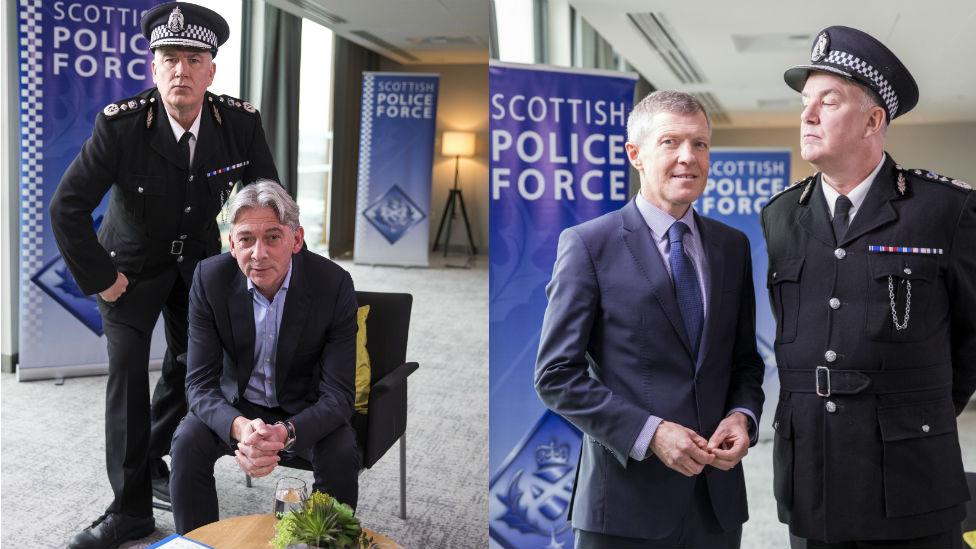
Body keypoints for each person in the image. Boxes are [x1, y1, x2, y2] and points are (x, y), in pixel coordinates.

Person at [48, 2, 278, 546]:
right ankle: (127, 511)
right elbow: (67, 207)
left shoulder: (238, 123)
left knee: (193, 366)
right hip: (127, 269)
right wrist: (102, 278)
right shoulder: (122, 125)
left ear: (211, 70)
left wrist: (269, 256)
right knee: (127, 378)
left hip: (198, 268)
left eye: (193, 58)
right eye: (169, 58)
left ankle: (150, 457)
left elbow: (266, 199)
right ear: (153, 68)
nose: (181, 70)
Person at [762, 25, 976, 549]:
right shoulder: (780, 215)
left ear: (874, 120)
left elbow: (973, 337)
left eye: (827, 102)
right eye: (805, 102)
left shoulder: (945, 210)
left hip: (911, 478)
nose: (807, 116)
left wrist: (915, 410)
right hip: (811, 476)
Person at [534, 90, 766, 549]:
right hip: (623, 506)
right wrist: (652, 433)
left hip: (714, 507)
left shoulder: (731, 246)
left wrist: (743, 417)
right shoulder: (588, 245)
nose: (688, 157)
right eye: (671, 142)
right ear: (635, 155)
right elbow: (555, 376)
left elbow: (744, 359)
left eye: (699, 144)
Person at [169, 180, 360, 533]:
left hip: (304, 407)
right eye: (246, 239)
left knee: (341, 452)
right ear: (232, 244)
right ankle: (196, 542)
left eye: (273, 237)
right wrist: (241, 427)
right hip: (239, 407)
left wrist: (285, 431)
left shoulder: (333, 285)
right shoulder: (208, 279)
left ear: (296, 239)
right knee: (186, 441)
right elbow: (198, 384)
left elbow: (339, 396)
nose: (258, 253)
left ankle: (324, 543)